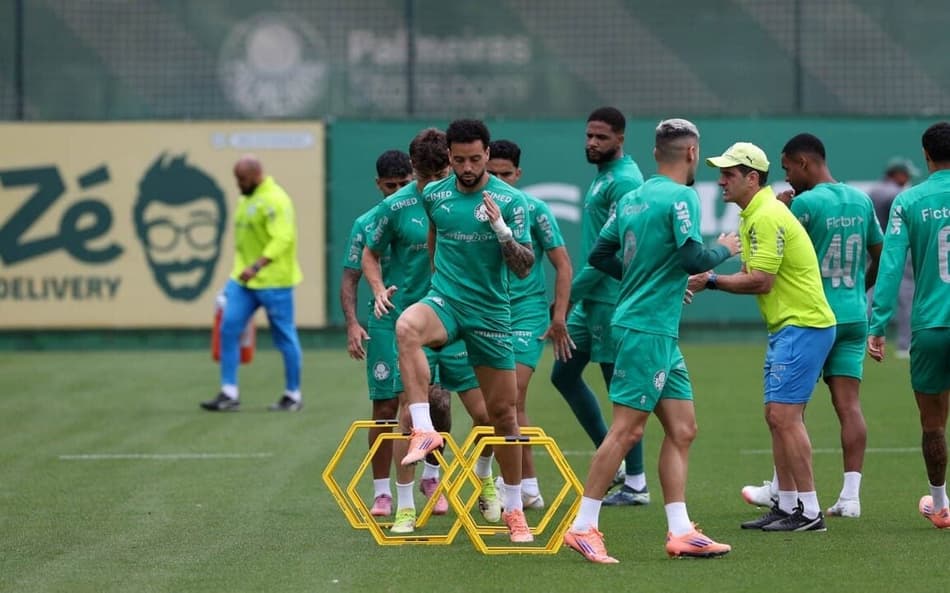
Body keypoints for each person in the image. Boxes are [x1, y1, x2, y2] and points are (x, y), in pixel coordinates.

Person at [562, 119, 737, 563]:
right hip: (646, 329)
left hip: (655, 329)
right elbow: (692, 256)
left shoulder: (633, 197)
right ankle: (583, 526)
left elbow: (601, 255)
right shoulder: (682, 197)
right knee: (627, 429)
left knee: (682, 428)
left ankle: (681, 530)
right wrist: (725, 248)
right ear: (692, 153)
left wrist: (644, 277)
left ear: (657, 152)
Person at [392, 118, 536, 543]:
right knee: (406, 327)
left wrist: (502, 231)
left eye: (475, 159)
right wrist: (441, 284)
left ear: (488, 154)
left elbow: (525, 266)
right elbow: (435, 239)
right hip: (447, 302)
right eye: (459, 160)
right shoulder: (434, 194)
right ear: (450, 158)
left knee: (503, 417)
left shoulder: (510, 201)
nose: (468, 167)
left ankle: (514, 510)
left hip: (491, 313)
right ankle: (422, 428)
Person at [692, 142, 836, 532]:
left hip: (803, 324)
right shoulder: (754, 213)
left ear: (751, 178)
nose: (720, 181)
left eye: (728, 174)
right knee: (776, 418)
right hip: (789, 326)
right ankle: (788, 505)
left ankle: (809, 511)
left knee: (785, 417)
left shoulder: (766, 215)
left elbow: (762, 281)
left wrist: (711, 281)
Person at [740, 134, 883, 519]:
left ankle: (782, 491)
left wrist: (783, 208)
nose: (787, 178)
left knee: (788, 409)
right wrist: (858, 288)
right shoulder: (860, 199)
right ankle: (850, 497)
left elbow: (781, 253)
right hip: (854, 313)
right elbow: (879, 255)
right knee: (849, 406)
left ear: (804, 162)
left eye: (787, 168)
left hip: (813, 317)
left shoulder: (803, 203)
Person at [363, 128, 498, 533]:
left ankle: (485, 480)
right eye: (423, 176)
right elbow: (369, 252)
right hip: (415, 324)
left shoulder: (467, 198)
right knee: (410, 414)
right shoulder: (396, 206)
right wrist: (377, 290)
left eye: (439, 173)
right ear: (413, 170)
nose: (430, 184)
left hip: (461, 318)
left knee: (488, 414)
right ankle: (404, 506)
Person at [551, 106, 650, 505]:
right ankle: (619, 465)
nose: (592, 143)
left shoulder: (625, 181)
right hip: (591, 299)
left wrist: (568, 294)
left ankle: (637, 483)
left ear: (620, 139)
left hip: (611, 297)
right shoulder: (605, 177)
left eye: (601, 137)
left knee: (620, 392)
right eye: (589, 135)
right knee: (563, 374)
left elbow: (618, 251)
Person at [868, 121, 950, 529]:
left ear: (925, 153)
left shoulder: (910, 200)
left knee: (932, 423)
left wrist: (878, 322)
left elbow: (891, 264)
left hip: (931, 326)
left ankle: (939, 504)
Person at [486, 139, 574, 510]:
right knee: (503, 405)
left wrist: (558, 318)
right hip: (488, 310)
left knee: (511, 396)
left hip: (525, 312)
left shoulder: (533, 209)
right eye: (493, 173)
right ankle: (528, 486)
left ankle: (516, 487)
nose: (499, 180)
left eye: (506, 174)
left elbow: (563, 265)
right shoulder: (470, 208)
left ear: (518, 175)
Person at [338, 150, 414, 517]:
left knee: (428, 405)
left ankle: (430, 476)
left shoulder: (426, 212)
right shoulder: (367, 222)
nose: (397, 190)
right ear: (378, 185)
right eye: (390, 185)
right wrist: (354, 323)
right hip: (385, 321)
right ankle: (382, 492)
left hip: (427, 318)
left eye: (404, 183)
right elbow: (350, 276)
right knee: (385, 407)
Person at [200, 155, 304, 412]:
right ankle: (228, 392)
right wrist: (241, 272)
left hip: (274, 281)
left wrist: (257, 265)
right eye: (237, 179)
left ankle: (293, 394)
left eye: (242, 179)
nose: (238, 184)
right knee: (228, 328)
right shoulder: (247, 197)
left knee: (284, 337)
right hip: (243, 281)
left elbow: (283, 238)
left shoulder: (275, 200)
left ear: (256, 175)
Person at [868, 157, 919, 358]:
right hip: (897, 249)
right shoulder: (895, 194)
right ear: (896, 174)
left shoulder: (875, 190)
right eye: (905, 174)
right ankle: (905, 345)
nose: (907, 179)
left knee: (870, 294)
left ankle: (859, 336)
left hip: (874, 249)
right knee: (907, 296)